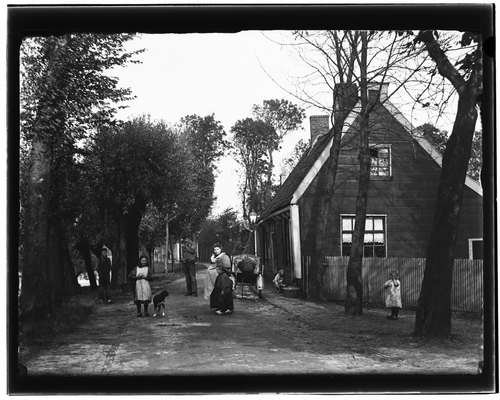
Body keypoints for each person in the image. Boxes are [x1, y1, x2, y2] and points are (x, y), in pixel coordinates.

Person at [209, 244, 234, 315]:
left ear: (221, 249)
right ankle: (225, 308)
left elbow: (227, 266)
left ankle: (224, 309)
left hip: (224, 275)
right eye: (214, 249)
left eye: (217, 249)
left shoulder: (224, 256)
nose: (216, 251)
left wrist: (220, 267)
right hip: (219, 275)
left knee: (224, 292)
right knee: (218, 291)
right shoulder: (216, 257)